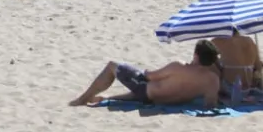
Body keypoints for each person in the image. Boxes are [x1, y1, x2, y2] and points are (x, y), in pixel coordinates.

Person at [69, 40, 221, 107]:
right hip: (170, 101)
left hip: (148, 93)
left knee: (112, 66)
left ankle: (82, 99)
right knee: (134, 93)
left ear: (196, 55)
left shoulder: (179, 66)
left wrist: (147, 71)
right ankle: (105, 98)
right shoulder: (212, 80)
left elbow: (150, 77)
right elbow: (210, 104)